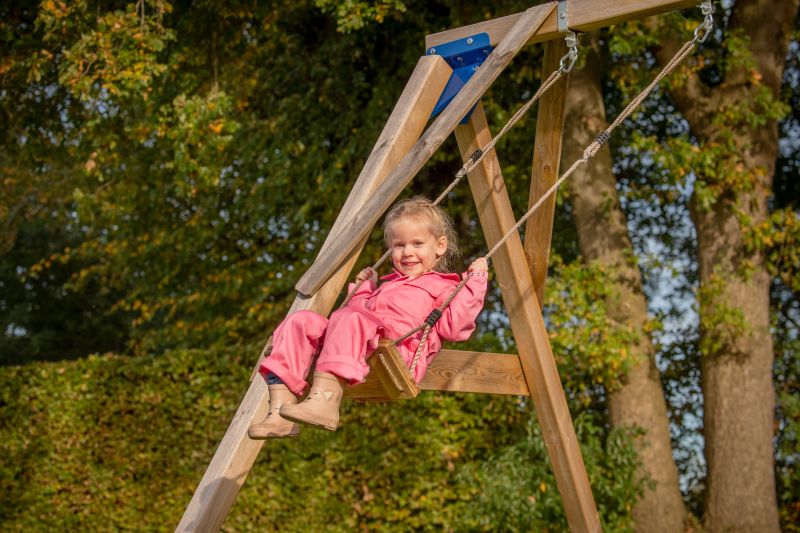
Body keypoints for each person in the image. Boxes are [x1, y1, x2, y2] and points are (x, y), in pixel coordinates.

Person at [248, 196, 488, 439]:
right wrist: (364, 290)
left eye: (417, 243)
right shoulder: (386, 285)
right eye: (399, 245)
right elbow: (349, 321)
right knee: (300, 322)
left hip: (396, 352)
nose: (408, 252)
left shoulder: (444, 288)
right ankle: (280, 412)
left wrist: (475, 283)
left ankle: (325, 401)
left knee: (350, 317)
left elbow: (456, 329)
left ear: (439, 246)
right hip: (360, 345)